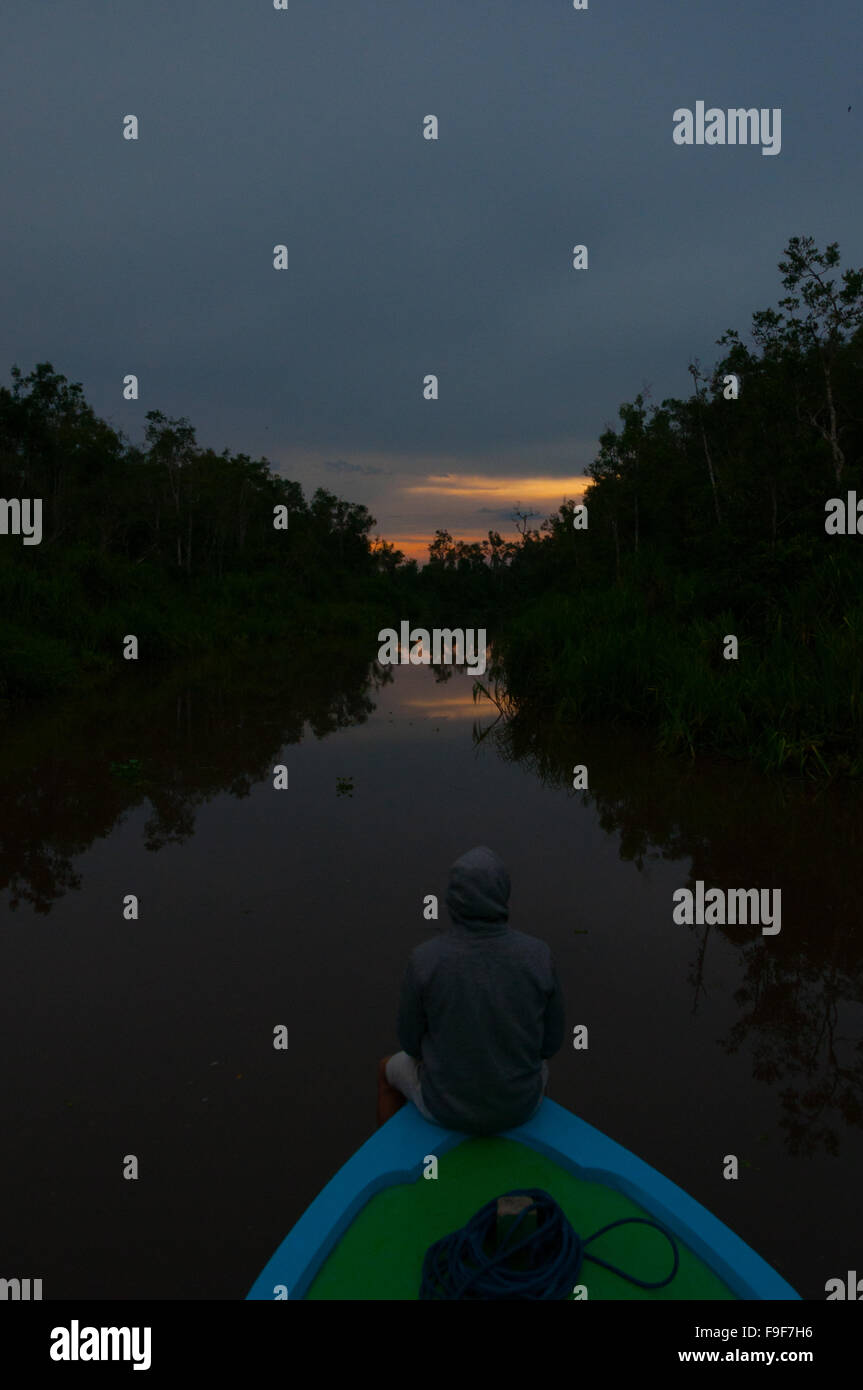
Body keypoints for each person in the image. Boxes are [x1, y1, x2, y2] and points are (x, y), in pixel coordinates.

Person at [378, 845, 566, 1134]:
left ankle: (387, 1155)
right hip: (521, 1107)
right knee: (537, 1070)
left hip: (444, 1110)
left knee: (385, 1070)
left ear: (451, 900)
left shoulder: (424, 959)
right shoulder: (539, 955)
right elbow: (551, 1044)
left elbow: (411, 1044)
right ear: (504, 895)